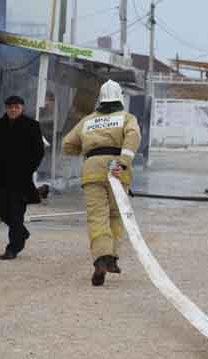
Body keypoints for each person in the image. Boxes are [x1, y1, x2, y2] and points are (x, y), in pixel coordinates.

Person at [62, 80, 141, 287]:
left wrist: (89, 152)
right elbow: (133, 137)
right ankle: (112, 257)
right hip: (117, 169)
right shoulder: (126, 118)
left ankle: (100, 258)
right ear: (120, 98)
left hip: (92, 171)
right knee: (115, 215)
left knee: (97, 216)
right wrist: (123, 161)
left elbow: (67, 145)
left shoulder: (87, 121)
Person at [0, 96, 45, 260]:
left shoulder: (32, 126)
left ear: (22, 108)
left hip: (21, 178)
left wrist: (29, 169)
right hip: (1, 177)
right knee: (1, 208)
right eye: (10, 107)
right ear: (6, 108)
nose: (13, 110)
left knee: (16, 212)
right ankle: (22, 232)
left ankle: (13, 248)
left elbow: (38, 151)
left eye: (16, 107)